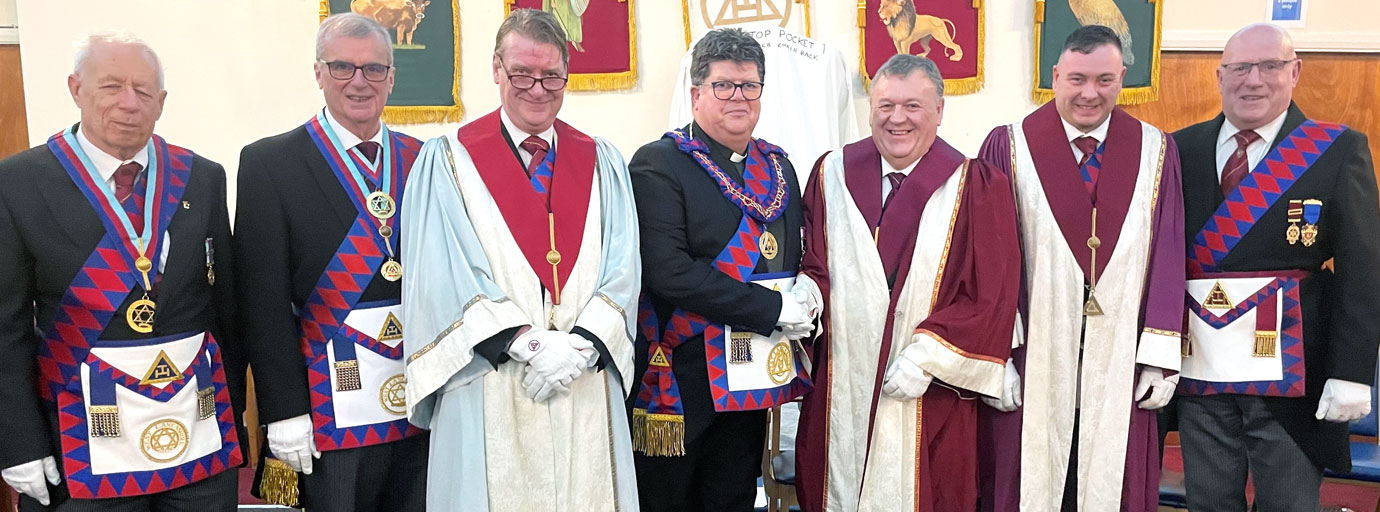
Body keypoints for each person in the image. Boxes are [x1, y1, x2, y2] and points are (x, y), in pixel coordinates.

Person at [400, 9, 640, 511]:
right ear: (495, 69)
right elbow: (444, 273)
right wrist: (529, 345)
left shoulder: (602, 161)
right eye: (522, 74)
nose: (537, 88)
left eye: (552, 75)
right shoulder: (448, 161)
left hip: (581, 379)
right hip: (492, 379)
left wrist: (582, 347)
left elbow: (623, 267)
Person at [0, 33, 244, 511]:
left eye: (144, 91)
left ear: (162, 102)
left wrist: (233, 417)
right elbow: (5, 327)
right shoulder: (18, 182)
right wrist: (19, 443)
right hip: (77, 443)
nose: (129, 103)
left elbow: (226, 310)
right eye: (111, 86)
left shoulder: (203, 176)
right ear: (76, 89)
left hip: (195, 439)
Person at [792, 54, 1021, 512]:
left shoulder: (975, 185)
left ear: (939, 110)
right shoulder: (830, 174)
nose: (897, 119)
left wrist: (928, 356)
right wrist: (805, 293)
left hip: (929, 392)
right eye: (885, 105)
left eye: (913, 106)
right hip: (842, 385)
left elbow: (993, 292)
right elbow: (812, 260)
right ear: (870, 107)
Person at [976, 25, 1185, 511]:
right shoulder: (1009, 148)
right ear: (1055, 75)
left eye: (1104, 80)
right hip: (1033, 360)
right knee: (1026, 480)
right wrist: (996, 354)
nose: (1090, 93)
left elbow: (1169, 253)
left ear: (1122, 78)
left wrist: (1158, 352)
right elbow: (991, 260)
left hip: (1121, 362)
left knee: (1111, 482)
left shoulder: (1155, 151)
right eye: (1077, 78)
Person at [1172, 23, 1380, 511]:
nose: (1254, 80)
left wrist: (1352, 372)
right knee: (1209, 503)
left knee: (1288, 504)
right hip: (1202, 371)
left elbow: (1362, 269)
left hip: (1293, 375)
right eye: (1240, 68)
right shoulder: (1179, 149)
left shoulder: (1336, 149)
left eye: (1270, 66)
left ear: (1295, 72)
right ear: (1219, 76)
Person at [232, 13, 427, 511]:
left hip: (420, 399)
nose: (359, 82)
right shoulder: (270, 163)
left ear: (391, 77)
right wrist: (284, 410)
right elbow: (263, 301)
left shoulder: (424, 159)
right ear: (318, 72)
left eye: (373, 69)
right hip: (327, 406)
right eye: (342, 67)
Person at [628, 27, 815, 511]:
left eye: (749, 85)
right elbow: (669, 272)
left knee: (734, 497)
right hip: (684, 375)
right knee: (669, 500)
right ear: (695, 94)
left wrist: (807, 291)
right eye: (723, 85)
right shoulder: (660, 163)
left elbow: (793, 252)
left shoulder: (777, 168)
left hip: (751, 371)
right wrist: (772, 308)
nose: (739, 96)